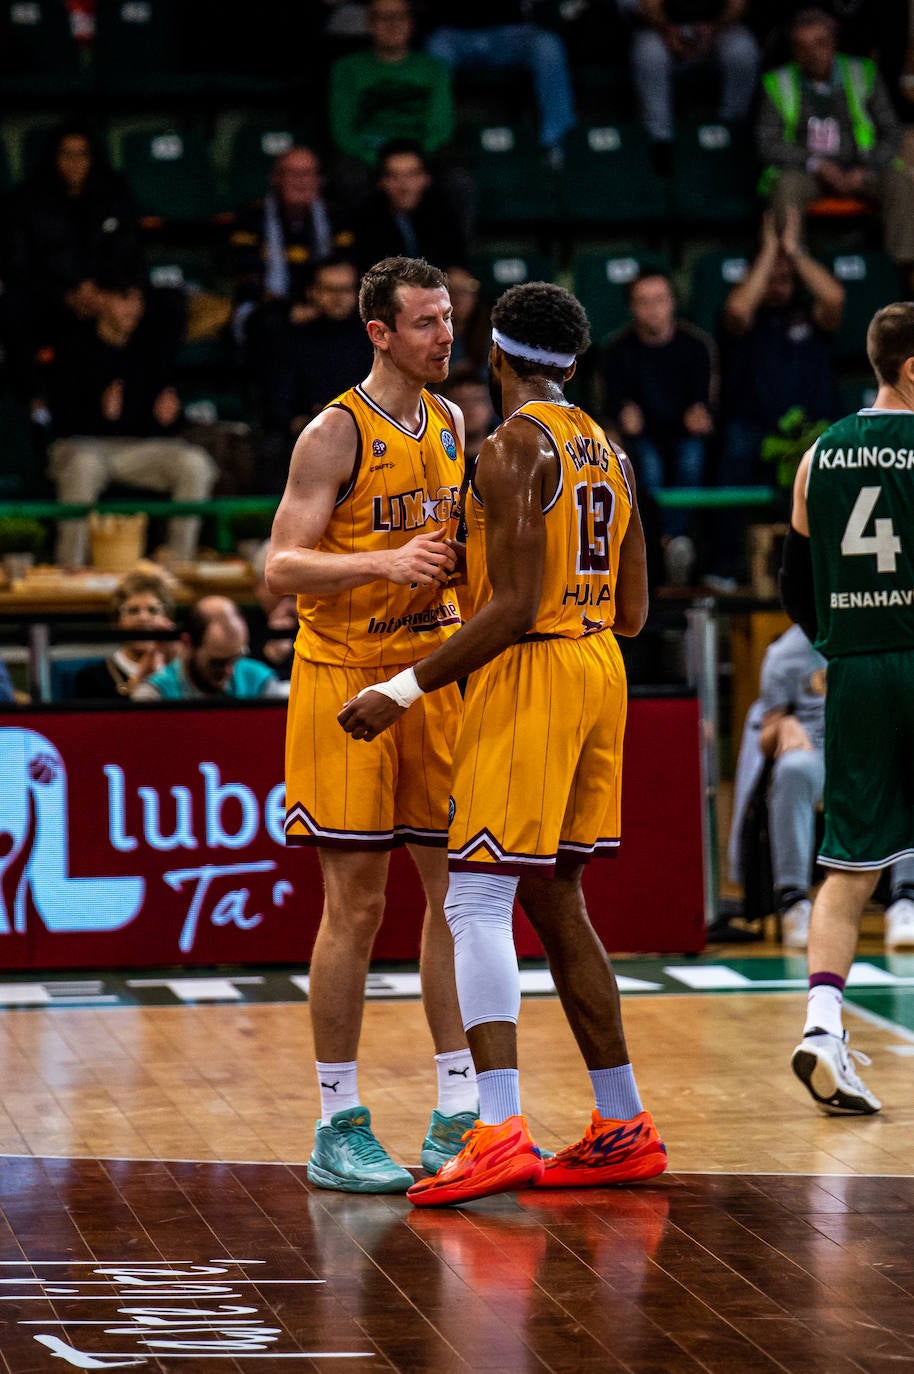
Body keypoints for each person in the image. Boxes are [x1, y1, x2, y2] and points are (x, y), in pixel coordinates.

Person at [340, 280, 666, 1206]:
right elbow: (638, 610)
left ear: (498, 353)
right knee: (558, 901)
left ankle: (497, 1128)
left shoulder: (513, 445)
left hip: (537, 669)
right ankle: (621, 1121)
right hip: (604, 665)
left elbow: (514, 607)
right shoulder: (610, 449)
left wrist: (401, 688)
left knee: (476, 898)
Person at [264, 255, 476, 1193]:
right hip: (343, 682)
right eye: (427, 322)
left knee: (454, 898)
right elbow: (278, 567)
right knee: (356, 905)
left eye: (449, 318)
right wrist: (384, 564)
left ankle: (457, 1112)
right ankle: (336, 1119)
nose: (446, 335)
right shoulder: (332, 432)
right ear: (380, 333)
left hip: (425, 680)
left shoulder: (456, 419)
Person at [781, 300, 914, 1115]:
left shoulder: (818, 455)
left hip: (858, 667)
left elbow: (797, 585)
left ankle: (823, 1027)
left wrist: (840, 644)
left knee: (849, 864)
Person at [728, 622, 914, 948]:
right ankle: (793, 901)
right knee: (792, 769)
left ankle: (906, 900)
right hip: (818, 750)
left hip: (875, 751)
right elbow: (767, 731)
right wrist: (782, 725)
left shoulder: (887, 633)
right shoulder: (785, 653)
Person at [41, 267, 217, 569]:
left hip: (136, 450)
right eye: (124, 299)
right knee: (83, 467)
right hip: (82, 447)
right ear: (101, 300)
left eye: (138, 301)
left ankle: (178, 564)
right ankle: (70, 569)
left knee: (194, 463)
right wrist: (99, 414)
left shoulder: (148, 348)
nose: (133, 309)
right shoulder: (72, 347)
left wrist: (168, 417)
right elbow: (59, 422)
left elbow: (156, 419)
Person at [709, 205, 844, 587]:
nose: (778, 282)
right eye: (771, 276)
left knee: (833, 459)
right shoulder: (743, 316)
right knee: (734, 453)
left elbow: (834, 298)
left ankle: (829, 567)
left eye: (786, 277)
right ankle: (723, 567)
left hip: (810, 429)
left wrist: (793, 250)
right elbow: (737, 309)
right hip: (753, 428)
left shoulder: (810, 315)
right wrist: (769, 250)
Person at [758, 7, 914, 274]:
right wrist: (816, 164)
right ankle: (793, 271)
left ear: (833, 43)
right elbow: (767, 142)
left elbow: (890, 131)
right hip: (808, 173)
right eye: (802, 46)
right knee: (785, 187)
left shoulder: (862, 72)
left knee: (900, 182)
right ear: (794, 51)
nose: (812, 53)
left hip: (861, 168)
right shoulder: (778, 82)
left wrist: (866, 168)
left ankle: (902, 274)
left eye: (819, 43)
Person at [0, 120, 141, 401]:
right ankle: (36, 407)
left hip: (105, 295)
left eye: (82, 154)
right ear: (54, 158)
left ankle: (150, 403)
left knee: (166, 303)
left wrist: (104, 290)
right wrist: (66, 295)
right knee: (14, 304)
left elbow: (128, 253)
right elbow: (19, 267)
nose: (75, 163)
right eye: (67, 154)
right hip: (51, 299)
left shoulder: (114, 196)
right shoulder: (27, 202)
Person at [602, 270, 716, 586]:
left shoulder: (696, 346)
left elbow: (705, 405)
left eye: (660, 300)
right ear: (632, 307)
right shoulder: (617, 349)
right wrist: (623, 416)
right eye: (643, 301)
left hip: (684, 437)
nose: (653, 309)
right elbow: (613, 407)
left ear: (673, 304)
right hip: (641, 439)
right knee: (646, 467)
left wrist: (702, 414)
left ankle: (670, 540)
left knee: (692, 459)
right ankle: (667, 545)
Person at [228, 146, 356, 352]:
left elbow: (346, 266)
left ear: (319, 180)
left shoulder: (336, 217)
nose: (302, 181)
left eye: (308, 174)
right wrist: (290, 309)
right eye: (293, 174)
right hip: (268, 307)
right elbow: (247, 276)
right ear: (276, 179)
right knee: (272, 326)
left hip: (326, 302)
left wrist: (319, 305)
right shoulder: (251, 217)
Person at [425, 1, 576, 155]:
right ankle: (439, 145)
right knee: (436, 52)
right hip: (455, 35)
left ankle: (556, 140)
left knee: (548, 46)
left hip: (508, 34)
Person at [626, 0, 760, 171]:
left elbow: (737, 4)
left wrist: (714, 30)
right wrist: (667, 31)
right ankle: (660, 140)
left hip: (717, 30)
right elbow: (649, 5)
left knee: (743, 50)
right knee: (649, 53)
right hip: (663, 32)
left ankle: (731, 129)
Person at [329, 0, 456, 172]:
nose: (393, 24)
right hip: (367, 155)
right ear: (369, 24)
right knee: (348, 176)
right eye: (384, 17)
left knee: (455, 178)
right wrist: (379, 161)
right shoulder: (346, 68)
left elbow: (440, 129)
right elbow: (343, 131)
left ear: (411, 23)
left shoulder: (435, 69)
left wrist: (412, 162)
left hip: (420, 153)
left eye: (400, 17)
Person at [132, 594, 284, 701]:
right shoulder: (155, 695)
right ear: (187, 644)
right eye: (218, 663)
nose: (229, 671)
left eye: (235, 659)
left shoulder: (261, 683)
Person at [353, 140, 467, 276]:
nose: (404, 186)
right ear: (381, 182)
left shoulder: (443, 214)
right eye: (394, 177)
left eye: (412, 175)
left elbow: (454, 261)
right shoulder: (364, 219)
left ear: (426, 178)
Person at [73, 567, 177, 700]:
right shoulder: (90, 677)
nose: (143, 618)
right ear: (117, 621)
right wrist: (140, 677)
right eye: (133, 611)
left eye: (153, 610)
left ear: (167, 619)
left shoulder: (181, 672)